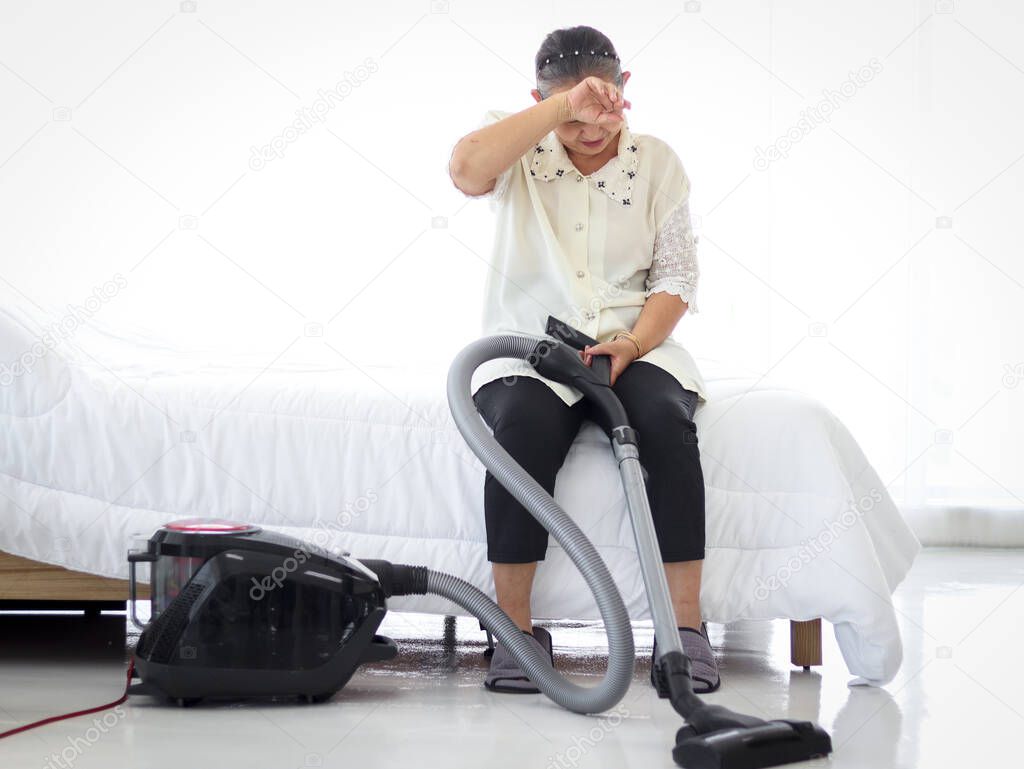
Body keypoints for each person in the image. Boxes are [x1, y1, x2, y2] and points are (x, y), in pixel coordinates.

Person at [447, 24, 719, 694]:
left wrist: (632, 343)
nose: (592, 127)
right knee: (522, 428)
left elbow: (676, 277)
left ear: (626, 92)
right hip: (531, 349)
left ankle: (683, 628)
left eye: (604, 108)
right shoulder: (518, 142)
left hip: (635, 342)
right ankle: (514, 628)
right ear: (540, 99)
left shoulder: (657, 162)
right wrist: (561, 107)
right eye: (574, 113)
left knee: (662, 421)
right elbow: (466, 170)